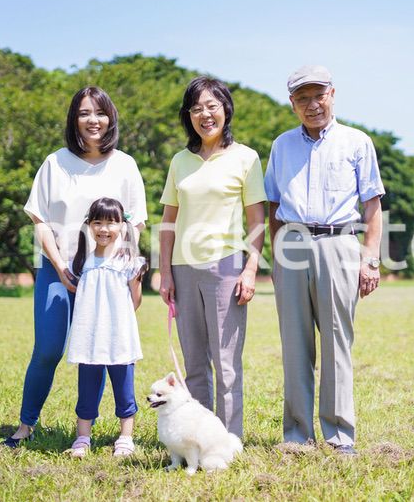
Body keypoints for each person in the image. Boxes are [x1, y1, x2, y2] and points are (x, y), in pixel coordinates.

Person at [4, 87, 147, 448]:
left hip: (107, 275)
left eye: (100, 113)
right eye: (84, 113)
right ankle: (25, 424)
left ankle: (86, 432)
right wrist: (61, 266)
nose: (92, 120)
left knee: (101, 349)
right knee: (50, 347)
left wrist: (130, 272)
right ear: (74, 119)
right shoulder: (56, 162)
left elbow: (136, 224)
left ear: (110, 118)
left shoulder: (125, 165)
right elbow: (39, 220)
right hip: (60, 269)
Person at [264, 65, 385, 455]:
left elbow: (372, 205)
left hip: (340, 244)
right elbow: (273, 203)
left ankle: (338, 435)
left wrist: (370, 259)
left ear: (332, 94)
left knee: (337, 342)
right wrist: (277, 253)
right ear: (292, 104)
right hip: (292, 244)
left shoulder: (356, 141)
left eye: (318, 95)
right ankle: (298, 436)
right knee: (295, 344)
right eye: (302, 98)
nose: (312, 104)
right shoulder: (282, 145)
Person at [158, 76, 266, 438]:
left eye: (212, 106)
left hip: (227, 268)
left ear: (226, 110)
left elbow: (257, 220)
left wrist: (250, 269)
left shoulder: (246, 158)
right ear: (188, 115)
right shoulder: (180, 161)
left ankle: (229, 439)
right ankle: (198, 436)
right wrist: (166, 273)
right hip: (183, 269)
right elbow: (168, 222)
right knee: (194, 363)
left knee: (226, 363)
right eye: (196, 108)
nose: (205, 114)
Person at [65, 197, 147, 458]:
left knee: (124, 388)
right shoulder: (82, 261)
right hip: (89, 337)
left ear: (122, 226)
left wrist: (118, 323)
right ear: (89, 226)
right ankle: (83, 437)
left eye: (111, 223)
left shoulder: (128, 261)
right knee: (87, 386)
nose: (103, 229)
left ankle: (125, 436)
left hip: (119, 336)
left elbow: (136, 299)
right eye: (97, 222)